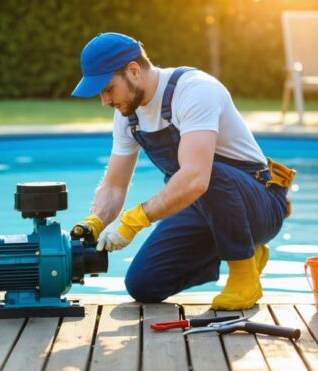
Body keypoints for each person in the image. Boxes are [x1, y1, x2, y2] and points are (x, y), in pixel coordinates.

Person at [70, 32, 296, 310]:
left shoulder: (194, 90)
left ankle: (243, 274)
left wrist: (134, 220)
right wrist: (96, 222)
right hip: (203, 207)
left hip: (260, 205)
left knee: (206, 173)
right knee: (143, 284)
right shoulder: (128, 117)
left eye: (108, 89)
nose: (104, 101)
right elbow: (115, 186)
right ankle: (248, 250)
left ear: (133, 71)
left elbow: (196, 178)